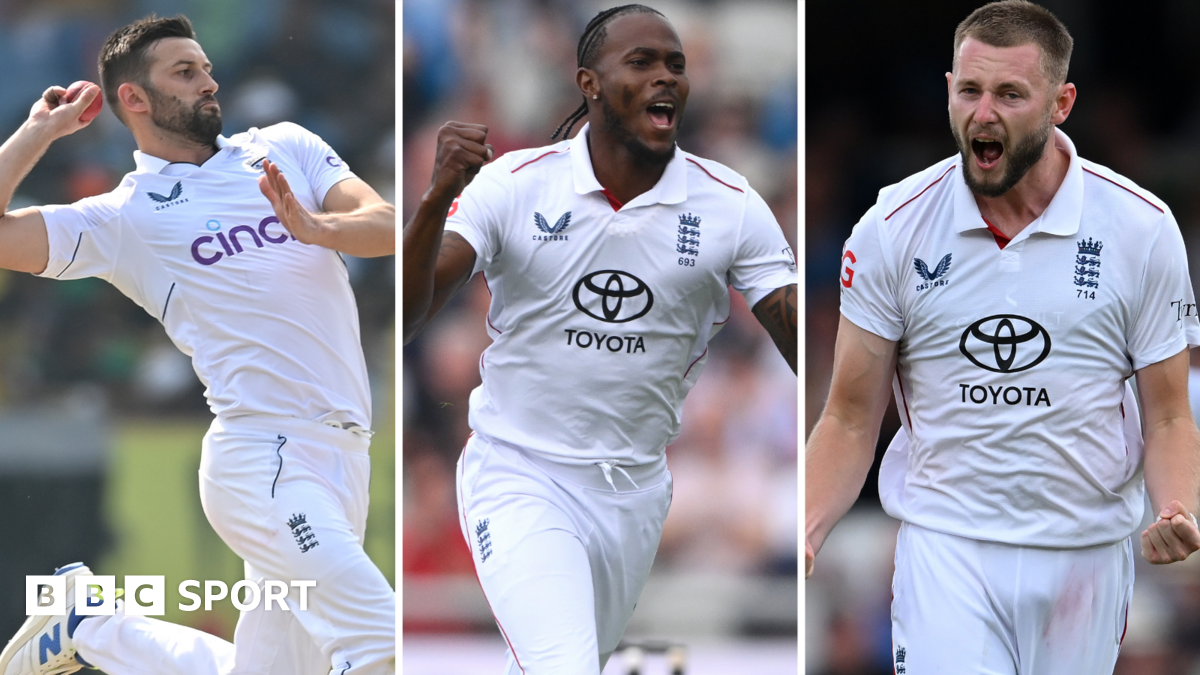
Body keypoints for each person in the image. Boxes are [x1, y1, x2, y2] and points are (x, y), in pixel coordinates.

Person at [805, 1, 1200, 673]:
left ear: (1061, 102)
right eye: (969, 90)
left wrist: (1178, 506)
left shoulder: (1141, 226)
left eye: (1010, 94)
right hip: (948, 549)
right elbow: (847, 415)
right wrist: (807, 528)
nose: (983, 114)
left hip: (1087, 557)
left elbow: (1166, 413)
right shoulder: (891, 228)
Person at [403, 5, 796, 674]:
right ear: (589, 82)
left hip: (634, 493)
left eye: (675, 64)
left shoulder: (731, 205)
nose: (665, 77)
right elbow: (413, 309)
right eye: (641, 63)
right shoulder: (515, 185)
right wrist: (437, 197)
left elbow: (810, 351)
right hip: (519, 472)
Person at [0, 15, 394, 675]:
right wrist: (38, 133)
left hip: (346, 456)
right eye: (184, 72)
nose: (209, 82)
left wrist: (316, 225)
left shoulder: (284, 146)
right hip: (264, 457)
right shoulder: (126, 215)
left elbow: (384, 225)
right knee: (382, 643)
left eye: (206, 67)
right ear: (134, 99)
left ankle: (89, 625)